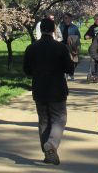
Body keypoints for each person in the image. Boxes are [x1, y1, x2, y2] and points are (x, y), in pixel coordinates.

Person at [23, 18, 74, 165]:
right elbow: (69, 69)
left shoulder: (31, 48)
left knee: (44, 121)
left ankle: (48, 155)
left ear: (41, 29)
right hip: (57, 88)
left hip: (39, 88)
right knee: (59, 118)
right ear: (53, 30)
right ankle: (51, 144)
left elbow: (26, 70)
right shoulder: (60, 48)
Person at [59, 13, 81, 81]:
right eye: (64, 18)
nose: (66, 19)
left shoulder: (74, 27)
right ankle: (66, 73)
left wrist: (71, 37)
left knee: (74, 61)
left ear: (71, 19)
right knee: (66, 60)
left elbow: (78, 36)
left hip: (72, 46)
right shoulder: (60, 26)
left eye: (67, 18)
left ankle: (71, 73)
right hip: (63, 45)